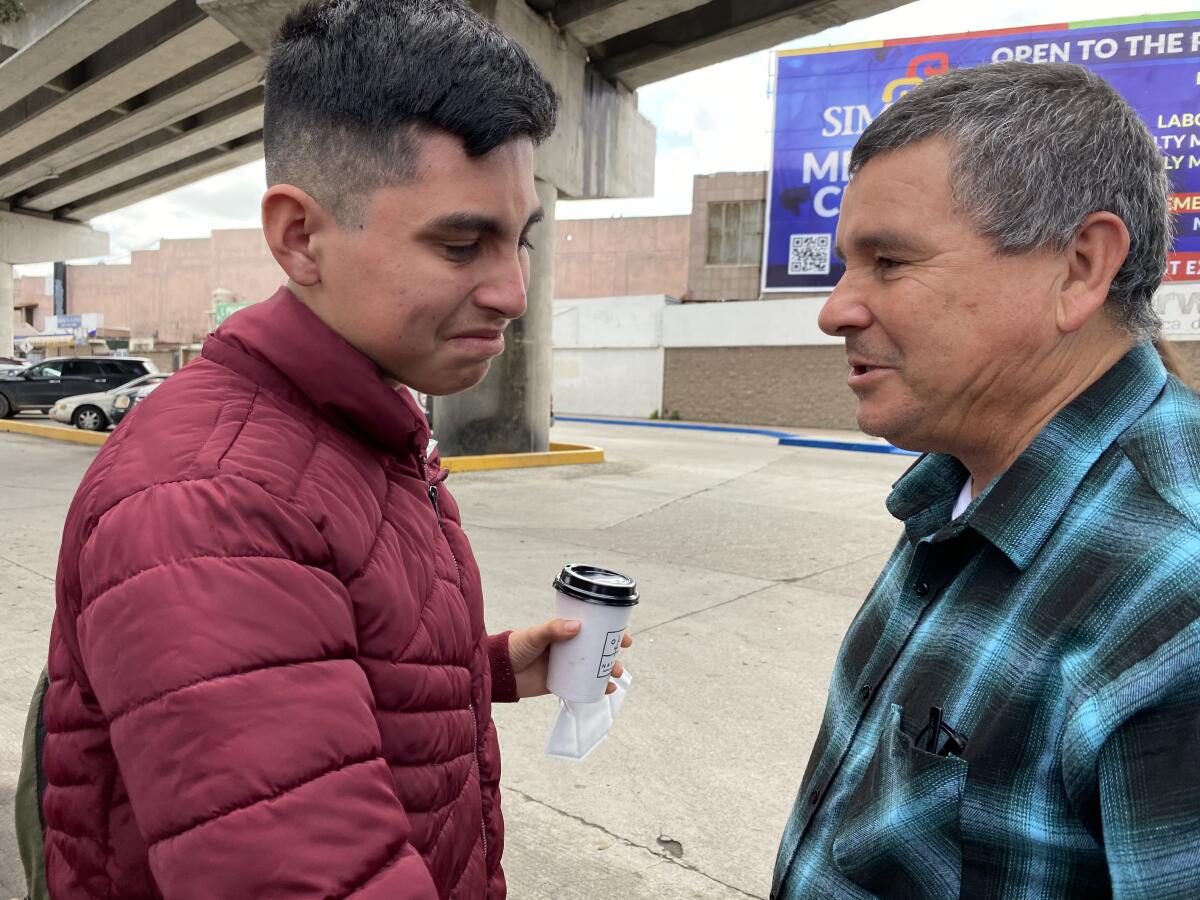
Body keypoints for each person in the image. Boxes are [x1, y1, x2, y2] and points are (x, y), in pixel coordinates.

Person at [18, 1, 629, 896]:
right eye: (462, 244)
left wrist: (482, 668)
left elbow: (300, 681)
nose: (512, 291)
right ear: (299, 237)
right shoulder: (207, 502)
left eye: (521, 239)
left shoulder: (348, 425)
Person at [773, 62, 1200, 898]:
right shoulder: (960, 483)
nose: (835, 310)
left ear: (1080, 266)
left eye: (889, 261)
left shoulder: (1176, 596)